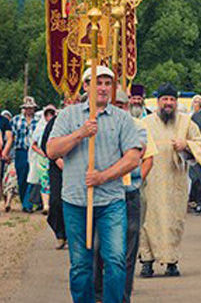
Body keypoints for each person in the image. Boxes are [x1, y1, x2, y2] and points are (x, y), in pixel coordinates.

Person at [47, 66, 142, 303]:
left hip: (111, 201)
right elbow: (51, 150)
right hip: (75, 200)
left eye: (107, 84)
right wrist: (80, 133)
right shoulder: (67, 116)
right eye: (97, 82)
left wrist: (103, 177)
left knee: (115, 260)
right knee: (80, 263)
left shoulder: (122, 118)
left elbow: (132, 158)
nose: (102, 88)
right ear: (86, 85)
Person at [139, 83, 201, 278]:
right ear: (158, 102)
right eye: (165, 99)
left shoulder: (187, 123)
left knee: (174, 222)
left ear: (176, 102)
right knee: (148, 221)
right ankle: (147, 261)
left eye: (171, 100)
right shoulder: (146, 122)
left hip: (176, 182)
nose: (168, 103)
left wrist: (187, 145)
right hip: (151, 180)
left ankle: (171, 262)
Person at [95, 90, 156, 302]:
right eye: (115, 104)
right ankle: (99, 294)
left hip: (130, 195)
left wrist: (136, 181)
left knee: (128, 251)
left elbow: (147, 159)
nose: (119, 108)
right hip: (104, 194)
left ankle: (123, 296)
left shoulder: (139, 126)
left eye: (122, 105)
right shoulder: (98, 127)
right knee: (99, 248)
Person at [41, 98, 78, 250]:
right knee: (56, 202)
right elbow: (46, 144)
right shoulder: (55, 121)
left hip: (77, 167)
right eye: (68, 103)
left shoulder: (83, 120)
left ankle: (73, 235)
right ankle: (60, 234)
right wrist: (57, 160)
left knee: (75, 202)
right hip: (58, 167)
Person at [11, 96, 40, 212]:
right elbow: (12, 138)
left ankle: (29, 203)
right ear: (23, 108)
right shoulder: (15, 120)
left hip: (34, 151)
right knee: (22, 177)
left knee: (33, 177)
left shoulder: (38, 120)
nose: (29, 110)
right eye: (27, 108)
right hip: (21, 151)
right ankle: (24, 201)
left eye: (31, 108)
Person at [28, 105, 57, 215]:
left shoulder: (58, 126)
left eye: (51, 114)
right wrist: (43, 153)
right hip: (43, 158)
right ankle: (46, 205)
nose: (49, 117)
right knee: (44, 181)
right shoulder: (40, 128)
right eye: (47, 114)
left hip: (55, 157)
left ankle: (53, 204)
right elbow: (34, 145)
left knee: (54, 180)